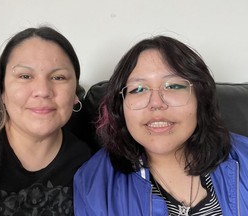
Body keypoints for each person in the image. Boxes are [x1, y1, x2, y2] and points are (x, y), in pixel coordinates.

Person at [73, 35, 248, 215]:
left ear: (200, 97)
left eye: (173, 86)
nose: (156, 103)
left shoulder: (244, 158)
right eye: (138, 89)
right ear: (121, 107)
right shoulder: (94, 184)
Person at [0, 26, 92, 215]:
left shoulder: (86, 164)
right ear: (2, 92)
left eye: (58, 77)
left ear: (75, 95)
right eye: (25, 76)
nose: (43, 91)